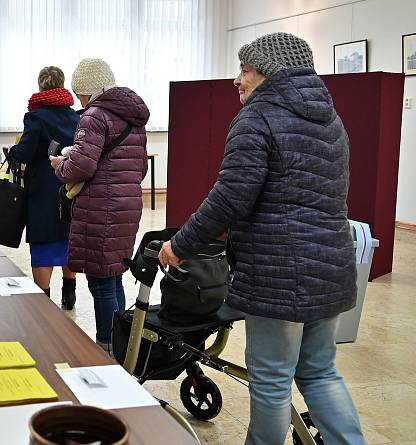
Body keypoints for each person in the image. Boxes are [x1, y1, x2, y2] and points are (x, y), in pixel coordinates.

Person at [158, 33, 366, 445]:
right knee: (320, 372)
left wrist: (180, 245)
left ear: (271, 72)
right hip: (331, 266)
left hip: (280, 273)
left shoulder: (258, 116)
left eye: (246, 69)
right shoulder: (331, 118)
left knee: (272, 380)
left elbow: (231, 196)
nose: (238, 79)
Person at [49, 59, 148, 350]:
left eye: (78, 93)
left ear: (88, 90)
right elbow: (138, 168)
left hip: (101, 207)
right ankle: (123, 344)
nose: (78, 99)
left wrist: (60, 166)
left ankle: (107, 346)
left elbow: (81, 167)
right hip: (127, 204)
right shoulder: (133, 117)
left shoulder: (94, 116)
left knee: (100, 281)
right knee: (113, 276)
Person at [6, 66, 79, 309]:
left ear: (40, 86)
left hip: (43, 191)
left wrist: (14, 152)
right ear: (62, 84)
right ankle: (69, 295)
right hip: (71, 187)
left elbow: (25, 153)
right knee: (69, 238)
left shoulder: (35, 117)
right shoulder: (76, 116)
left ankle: (44, 302)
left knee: (43, 242)